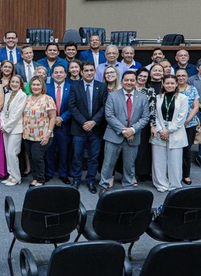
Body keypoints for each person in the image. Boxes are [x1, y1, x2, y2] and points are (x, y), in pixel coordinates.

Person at [99, 71, 151, 190]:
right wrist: (124, 131)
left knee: (130, 165)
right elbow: (109, 116)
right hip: (114, 136)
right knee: (108, 164)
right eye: (126, 80)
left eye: (132, 80)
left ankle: (128, 186)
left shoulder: (142, 98)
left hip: (133, 136)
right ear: (122, 81)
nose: (129, 82)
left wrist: (132, 130)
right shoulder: (112, 96)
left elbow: (145, 117)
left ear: (135, 81)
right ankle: (104, 185)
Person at [68, 61, 108, 193]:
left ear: (95, 72)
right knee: (77, 156)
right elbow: (72, 106)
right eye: (86, 70)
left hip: (96, 129)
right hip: (79, 128)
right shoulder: (75, 86)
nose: (89, 73)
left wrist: (94, 122)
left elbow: (104, 107)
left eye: (91, 70)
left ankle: (91, 180)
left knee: (93, 157)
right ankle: (76, 179)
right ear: (81, 72)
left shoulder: (102, 87)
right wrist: (84, 122)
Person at [151, 75, 189, 192]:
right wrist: (161, 130)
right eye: (167, 83)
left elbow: (181, 118)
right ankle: (161, 184)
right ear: (162, 83)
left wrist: (168, 131)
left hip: (175, 132)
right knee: (158, 161)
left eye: (172, 83)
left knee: (175, 161)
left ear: (177, 84)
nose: (170, 86)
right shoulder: (157, 97)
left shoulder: (183, 98)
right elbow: (154, 115)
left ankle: (174, 185)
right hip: (159, 131)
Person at [23, 76, 57, 187]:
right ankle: (35, 178)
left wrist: (47, 134)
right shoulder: (27, 98)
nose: (35, 87)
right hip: (28, 134)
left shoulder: (48, 99)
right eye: (33, 85)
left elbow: (52, 118)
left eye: (38, 85)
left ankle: (41, 179)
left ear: (42, 86)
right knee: (31, 157)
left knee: (38, 157)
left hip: (42, 134)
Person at [45, 65, 71, 183]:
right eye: (56, 72)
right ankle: (49, 173)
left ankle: (63, 173)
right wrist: (53, 119)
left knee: (64, 151)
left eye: (61, 72)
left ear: (65, 74)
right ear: (52, 75)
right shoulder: (46, 87)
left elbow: (74, 106)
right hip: (49, 124)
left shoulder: (71, 88)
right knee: (49, 150)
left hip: (64, 124)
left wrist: (62, 118)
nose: (59, 74)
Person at [0, 74, 27, 186]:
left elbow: (17, 114)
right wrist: (2, 124)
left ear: (21, 84)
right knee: (7, 153)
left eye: (17, 82)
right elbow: (3, 110)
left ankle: (16, 177)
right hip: (5, 127)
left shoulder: (22, 95)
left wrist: (7, 126)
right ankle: (10, 175)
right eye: (12, 82)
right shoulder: (7, 95)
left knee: (12, 153)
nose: (14, 84)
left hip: (16, 128)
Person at [175, 69, 199, 185]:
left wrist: (187, 120)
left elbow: (196, 107)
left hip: (189, 124)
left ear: (187, 77)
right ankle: (174, 173)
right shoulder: (171, 88)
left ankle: (186, 175)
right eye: (178, 75)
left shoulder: (192, 89)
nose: (181, 77)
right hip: (174, 125)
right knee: (174, 150)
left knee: (187, 150)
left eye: (183, 75)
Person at [134, 67, 157, 182]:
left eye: (145, 77)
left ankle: (140, 173)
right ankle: (130, 174)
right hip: (130, 123)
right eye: (140, 76)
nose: (142, 78)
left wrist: (153, 125)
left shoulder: (150, 90)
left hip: (144, 123)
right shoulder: (130, 87)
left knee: (142, 150)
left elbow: (152, 108)